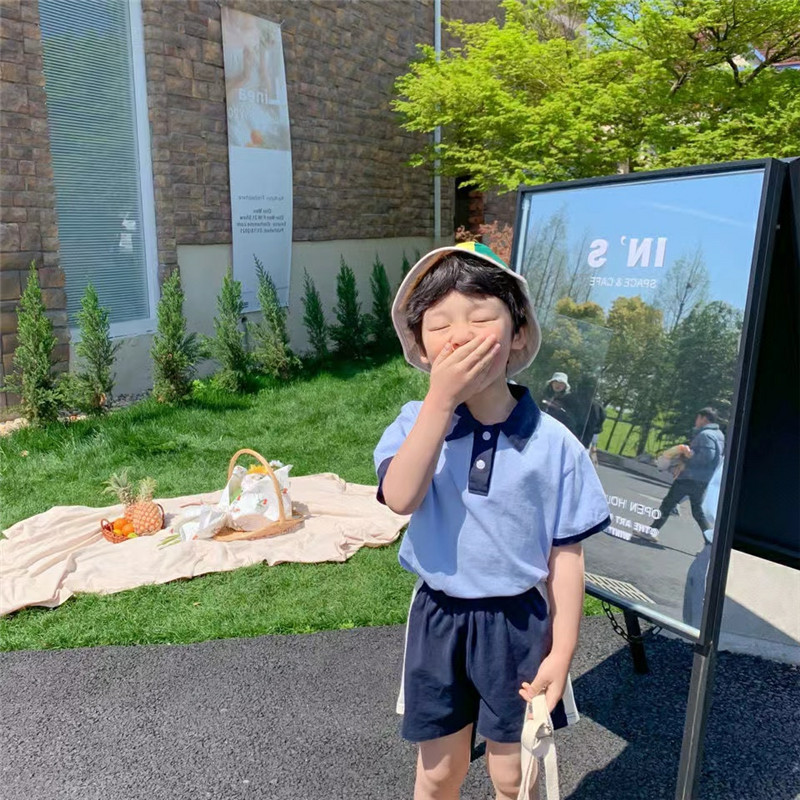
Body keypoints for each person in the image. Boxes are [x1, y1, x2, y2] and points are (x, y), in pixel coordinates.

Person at [374, 242, 610, 800]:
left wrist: (562, 651)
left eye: (481, 318)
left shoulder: (555, 445)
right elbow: (400, 497)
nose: (460, 335)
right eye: (439, 325)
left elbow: (566, 556)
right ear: (420, 346)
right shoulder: (414, 422)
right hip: (438, 618)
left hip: (519, 625)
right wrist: (439, 403)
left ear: (518, 333)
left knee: (514, 774)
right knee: (439, 772)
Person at [644, 407, 725, 543]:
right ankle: (710, 540)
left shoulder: (705, 435)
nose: (696, 421)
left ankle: (651, 532)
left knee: (668, 504)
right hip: (703, 479)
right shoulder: (719, 435)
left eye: (697, 418)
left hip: (690, 477)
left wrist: (687, 456)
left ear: (704, 419)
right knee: (697, 511)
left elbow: (707, 457)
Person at [540, 371, 580, 436]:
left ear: (565, 386)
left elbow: (570, 419)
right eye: (556, 381)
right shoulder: (544, 396)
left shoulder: (569, 400)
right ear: (551, 383)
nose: (558, 384)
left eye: (561, 383)